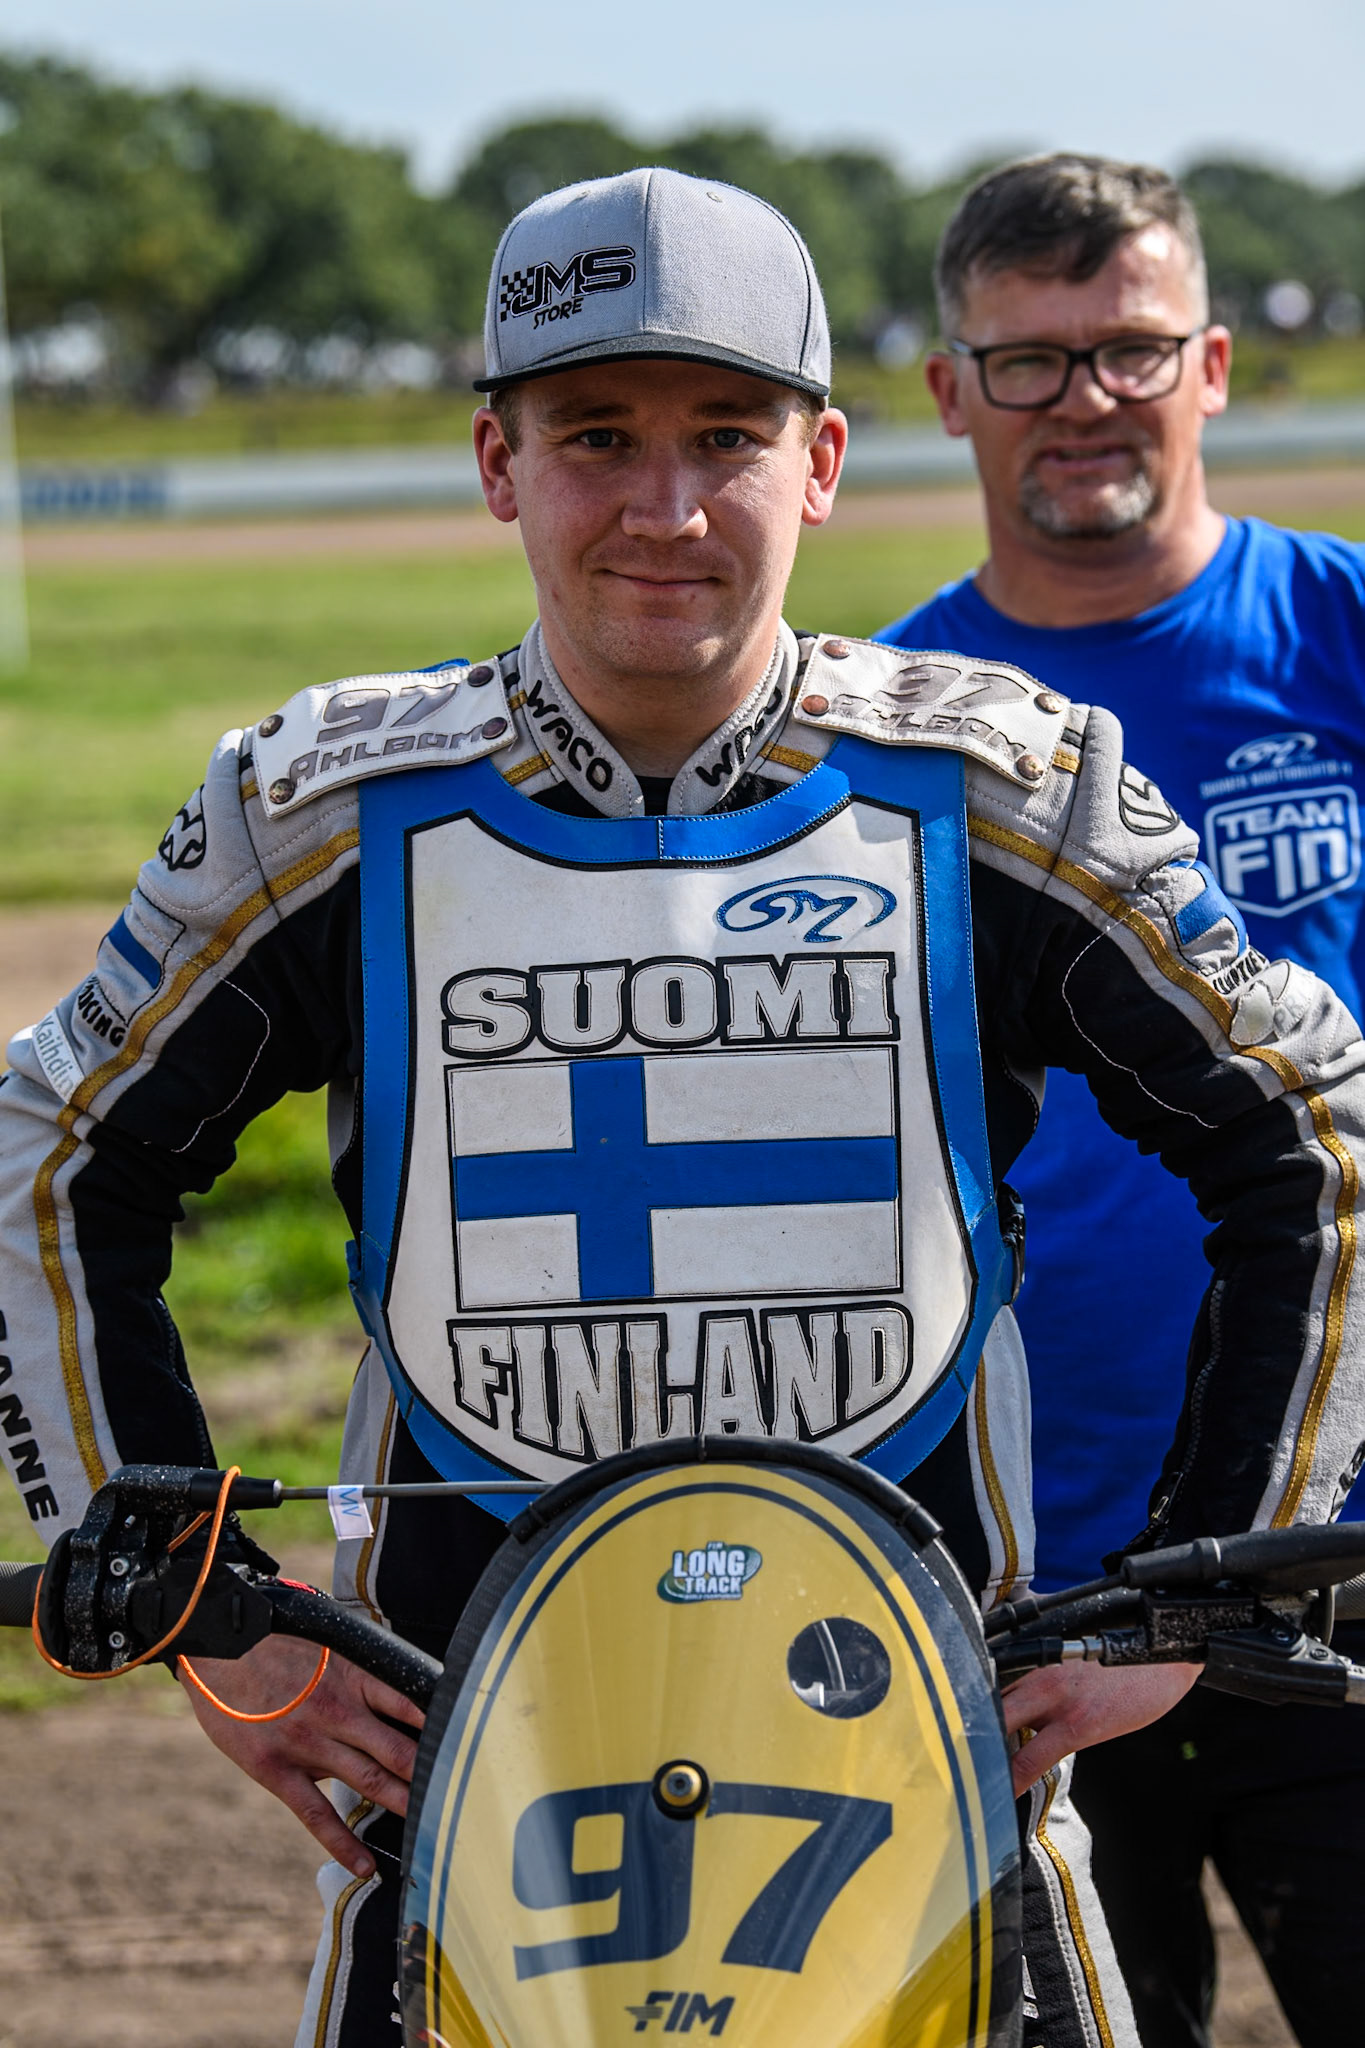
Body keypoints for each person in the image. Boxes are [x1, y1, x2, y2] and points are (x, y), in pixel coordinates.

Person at [1, 166, 1363, 2048]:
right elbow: (54, 1154)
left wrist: (1199, 1598)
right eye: (593, 437)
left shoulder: (995, 791)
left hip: (939, 1804)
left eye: (725, 435)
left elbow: (1313, 1130)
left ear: (819, 464)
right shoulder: (317, 806)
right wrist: (194, 1604)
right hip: (468, 1797)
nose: (663, 506)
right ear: (497, 463)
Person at [876, 150, 1365, 2048]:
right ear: (945, 391)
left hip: (1340, 1521)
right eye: (1028, 358)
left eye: (1129, 348)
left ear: (1214, 365)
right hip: (1029, 1565)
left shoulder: (1335, 632)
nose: (1083, 396)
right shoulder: (890, 721)